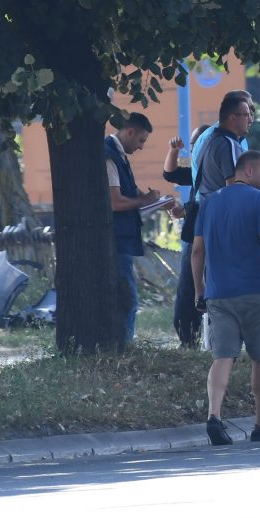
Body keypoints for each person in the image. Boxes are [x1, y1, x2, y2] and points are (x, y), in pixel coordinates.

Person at [187, 147, 260, 444]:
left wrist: (199, 289)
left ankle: (214, 416)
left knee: (222, 356)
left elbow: (197, 250)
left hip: (219, 294)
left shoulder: (210, 203)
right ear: (249, 171)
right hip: (256, 291)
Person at [169, 91, 256, 348]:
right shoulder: (227, 143)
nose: (251, 118)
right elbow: (233, 187)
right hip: (220, 220)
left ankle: (190, 337)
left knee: (193, 277)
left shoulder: (209, 138)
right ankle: (226, 339)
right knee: (222, 279)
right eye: (247, 113)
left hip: (201, 215)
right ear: (232, 117)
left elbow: (202, 183)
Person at [105, 112, 167, 347]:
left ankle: (121, 344)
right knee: (127, 297)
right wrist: (144, 201)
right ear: (129, 132)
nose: (141, 147)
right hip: (117, 239)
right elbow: (115, 202)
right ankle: (122, 346)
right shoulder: (110, 156)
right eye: (141, 140)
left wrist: (149, 198)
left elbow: (129, 192)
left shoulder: (119, 155)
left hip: (124, 238)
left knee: (126, 294)